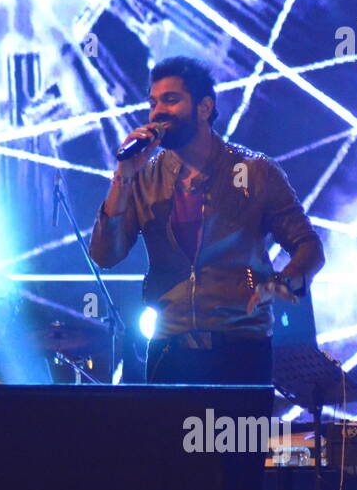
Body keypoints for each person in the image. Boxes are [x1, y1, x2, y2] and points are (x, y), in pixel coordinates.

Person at [89, 56, 325, 385]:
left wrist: (285, 281)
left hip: (241, 350)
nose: (158, 112)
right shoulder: (144, 178)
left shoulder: (255, 172)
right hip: (169, 353)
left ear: (204, 107)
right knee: (168, 439)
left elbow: (308, 246)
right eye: (153, 103)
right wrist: (124, 175)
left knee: (235, 439)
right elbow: (104, 255)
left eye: (171, 100)